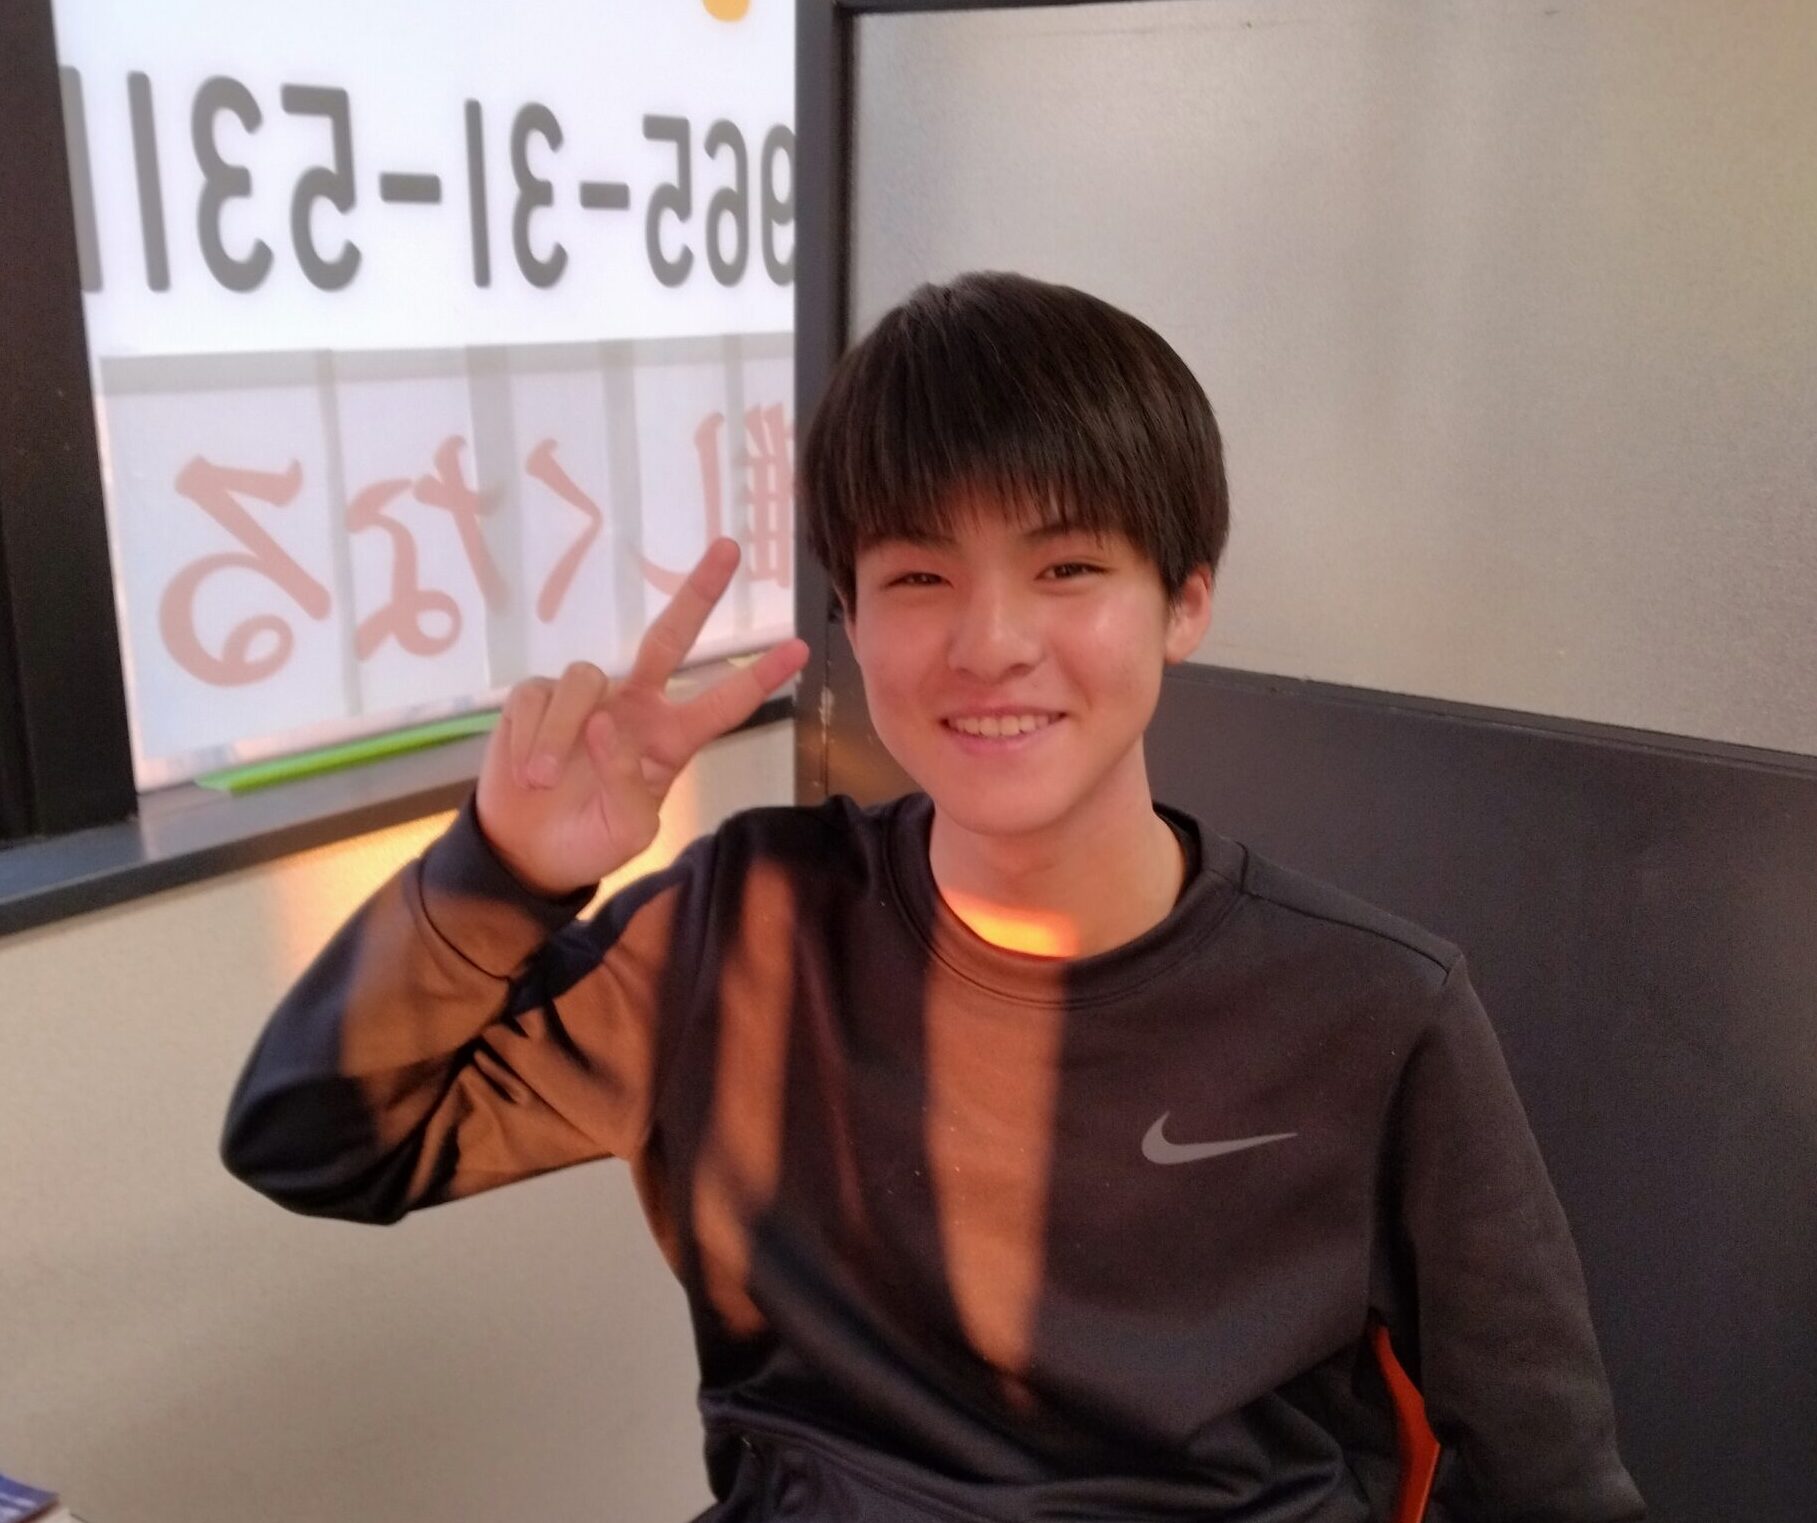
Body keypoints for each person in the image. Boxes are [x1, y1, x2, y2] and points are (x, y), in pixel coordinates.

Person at [222, 271, 1644, 1521]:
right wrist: (503, 871)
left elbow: (1548, 1483)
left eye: (1068, 566)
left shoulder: (1371, 1009)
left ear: (1185, 600)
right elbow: (315, 1142)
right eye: (918, 574)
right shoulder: (742, 927)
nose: (992, 641)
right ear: (848, 617)